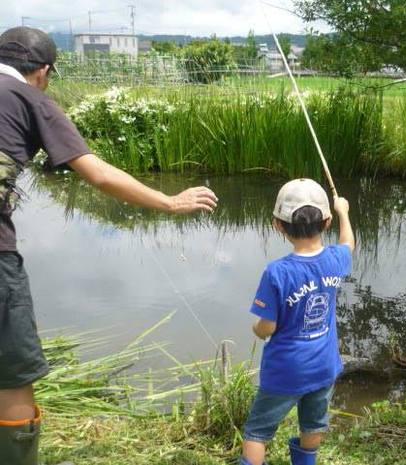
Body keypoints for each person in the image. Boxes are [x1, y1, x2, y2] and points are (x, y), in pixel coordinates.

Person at [0, 27, 218, 465]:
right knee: (11, 374)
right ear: (42, 72)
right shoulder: (29, 98)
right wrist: (169, 201)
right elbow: (96, 173)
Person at [239, 178, 354, 465]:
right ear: (325, 222)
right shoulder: (336, 260)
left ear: (278, 225)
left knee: (257, 431)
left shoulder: (276, 272)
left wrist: (256, 329)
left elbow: (267, 328)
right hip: (323, 366)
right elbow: (348, 244)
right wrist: (344, 212)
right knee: (312, 424)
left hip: (285, 371)